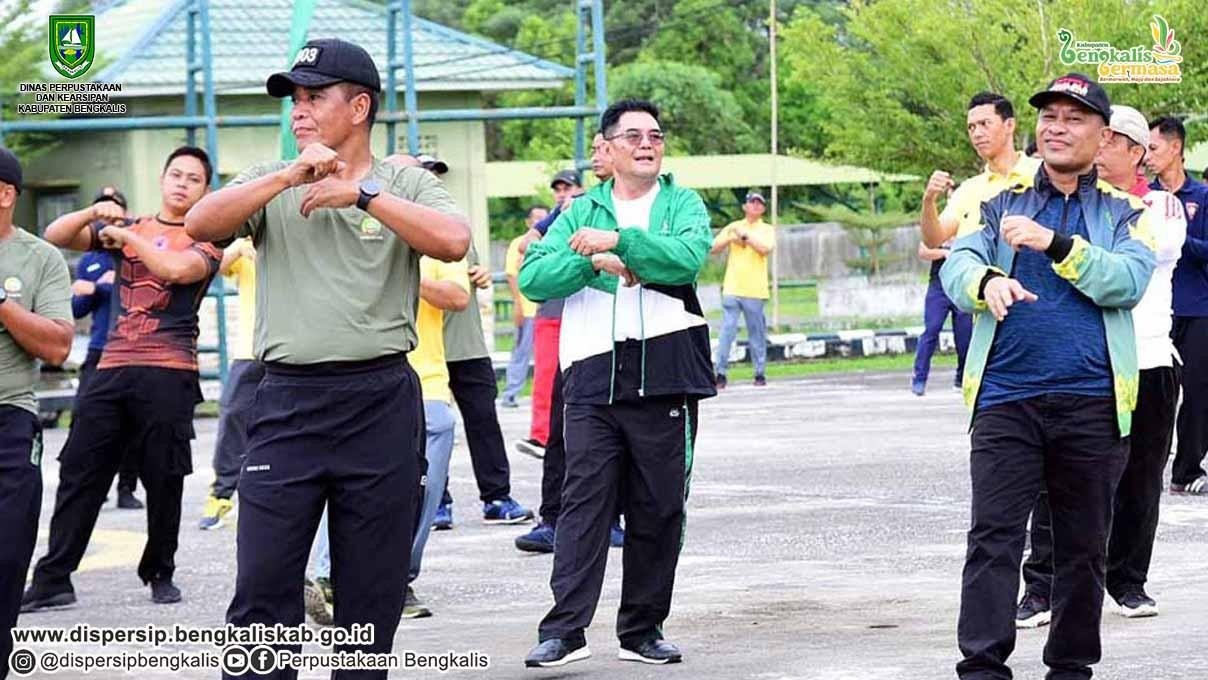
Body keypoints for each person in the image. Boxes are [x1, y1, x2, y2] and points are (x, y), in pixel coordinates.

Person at [184, 38, 469, 679]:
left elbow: (453, 241)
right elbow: (200, 224)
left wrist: (362, 195)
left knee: (368, 603)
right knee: (261, 590)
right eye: (295, 100)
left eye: (314, 97)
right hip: (285, 403)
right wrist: (287, 176)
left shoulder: (406, 182)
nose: (300, 112)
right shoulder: (271, 180)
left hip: (379, 404)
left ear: (360, 106)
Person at [940, 73, 1156, 680]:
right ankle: (981, 667)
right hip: (1005, 399)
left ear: (1102, 134)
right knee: (993, 540)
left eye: (1074, 118)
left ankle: (1070, 667)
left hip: (1092, 403)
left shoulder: (1124, 212)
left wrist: (1057, 245)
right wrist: (986, 281)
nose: (1057, 128)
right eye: (1050, 117)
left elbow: (1127, 281)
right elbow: (957, 264)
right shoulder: (999, 202)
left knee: (1084, 547)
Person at [520, 99, 715, 667]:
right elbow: (535, 276)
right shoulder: (581, 210)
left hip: (666, 372)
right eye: (632, 136)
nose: (646, 143)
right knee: (582, 505)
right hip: (590, 378)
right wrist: (592, 262)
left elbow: (685, 259)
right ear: (607, 148)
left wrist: (621, 244)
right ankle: (563, 630)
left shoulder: (683, 203)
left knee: (659, 507)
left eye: (654, 134)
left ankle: (642, 629)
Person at [23, 146, 222, 611]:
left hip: (170, 371)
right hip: (111, 367)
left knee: (164, 476)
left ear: (205, 190)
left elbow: (174, 269)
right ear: (162, 177)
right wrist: (96, 213)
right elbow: (56, 234)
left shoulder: (209, 235)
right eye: (175, 174)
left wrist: (124, 236)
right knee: (79, 469)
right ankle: (54, 577)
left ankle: (160, 571)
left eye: (193, 179)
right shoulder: (128, 227)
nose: (182, 183)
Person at [1017, 105, 1185, 624]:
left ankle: (1128, 580)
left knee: (1141, 480)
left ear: (1136, 152)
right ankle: (1041, 586)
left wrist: (1064, 243)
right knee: (1056, 480)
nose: (1100, 144)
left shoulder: (1160, 207)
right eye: (1100, 134)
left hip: (1149, 358)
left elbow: (1132, 262)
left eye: (1112, 138)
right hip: (1085, 360)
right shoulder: (1058, 200)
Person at [516, 133, 623, 555]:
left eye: (601, 147)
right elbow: (531, 251)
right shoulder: (576, 210)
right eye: (594, 148)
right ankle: (553, 517)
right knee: (563, 432)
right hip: (574, 335)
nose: (595, 154)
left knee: (619, 435)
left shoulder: (644, 208)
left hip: (626, 339)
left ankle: (612, 517)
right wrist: (582, 258)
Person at [416, 155, 532, 530]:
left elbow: (471, 275)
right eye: (424, 176)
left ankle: (496, 497)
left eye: (436, 177)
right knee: (429, 431)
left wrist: (481, 275)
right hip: (422, 349)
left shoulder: (455, 228)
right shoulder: (398, 230)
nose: (432, 182)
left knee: (483, 421)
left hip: (466, 344)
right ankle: (437, 501)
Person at [0, 147, 73, 680]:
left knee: (7, 556)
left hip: (10, 420)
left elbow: (57, 347)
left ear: (5, 194)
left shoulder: (39, 258)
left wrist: (3, 307)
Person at [71, 186, 143, 510]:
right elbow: (77, 309)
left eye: (117, 209)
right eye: (104, 209)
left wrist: (104, 286)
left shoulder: (138, 248)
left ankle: (126, 488)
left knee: (132, 424)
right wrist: (87, 292)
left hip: (132, 349)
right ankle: (92, 487)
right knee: (86, 420)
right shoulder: (90, 258)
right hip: (99, 348)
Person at [1146, 116, 1208, 496]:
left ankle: (1186, 471)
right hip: (1156, 310)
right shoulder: (1145, 198)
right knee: (1155, 395)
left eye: (1153, 148)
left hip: (1198, 307)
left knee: (1199, 392)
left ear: (1176, 148)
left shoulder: (1202, 197)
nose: (1148, 156)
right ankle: (1143, 469)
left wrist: (1178, 237)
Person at [514, 169, 585, 460]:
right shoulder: (557, 214)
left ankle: (576, 435)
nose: (562, 193)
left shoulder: (590, 209)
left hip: (581, 306)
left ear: (581, 189)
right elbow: (524, 244)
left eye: (567, 187)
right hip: (552, 307)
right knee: (545, 375)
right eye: (558, 189)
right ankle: (542, 436)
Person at [198, 236, 263, 530]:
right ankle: (221, 494)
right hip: (251, 349)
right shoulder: (248, 240)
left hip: (300, 351)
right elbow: (212, 268)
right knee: (233, 417)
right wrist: (238, 248)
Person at [920, 92, 1042, 248]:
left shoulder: (1043, 173)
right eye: (971, 127)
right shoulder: (968, 190)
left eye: (985, 124)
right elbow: (933, 241)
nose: (977, 134)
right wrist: (929, 200)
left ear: (1009, 125)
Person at [711, 191, 775, 388]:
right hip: (732, 286)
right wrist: (732, 238)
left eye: (759, 204)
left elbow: (765, 248)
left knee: (756, 332)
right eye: (751, 203)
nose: (755, 206)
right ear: (745, 206)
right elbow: (713, 247)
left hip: (754, 289)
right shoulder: (734, 227)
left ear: (763, 208)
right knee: (727, 331)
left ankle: (759, 372)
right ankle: (720, 372)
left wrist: (745, 237)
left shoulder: (766, 229)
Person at [910, 239, 972, 395]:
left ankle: (961, 378)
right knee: (932, 329)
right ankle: (919, 379)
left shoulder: (969, 228)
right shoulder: (940, 227)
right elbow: (923, 251)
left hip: (961, 286)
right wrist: (944, 253)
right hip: (939, 288)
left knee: (965, 337)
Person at [500, 206, 547, 408]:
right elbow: (511, 275)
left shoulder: (553, 241)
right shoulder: (519, 244)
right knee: (521, 351)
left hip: (548, 310)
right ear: (528, 222)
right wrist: (518, 303)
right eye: (536, 218)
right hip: (528, 309)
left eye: (544, 219)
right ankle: (511, 393)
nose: (539, 222)